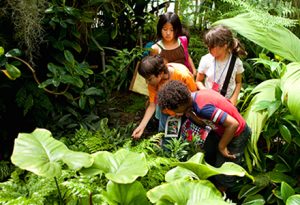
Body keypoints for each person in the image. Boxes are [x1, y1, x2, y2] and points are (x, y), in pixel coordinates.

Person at [157, 80, 251, 191]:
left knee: (225, 169)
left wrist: (222, 146)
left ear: (180, 104)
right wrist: (189, 114)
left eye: (174, 110)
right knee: (210, 155)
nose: (174, 113)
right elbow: (205, 121)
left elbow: (233, 124)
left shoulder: (203, 108)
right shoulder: (196, 97)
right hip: (221, 131)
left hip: (236, 134)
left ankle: (223, 192)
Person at [131, 55, 197, 139]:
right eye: (146, 79)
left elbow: (194, 97)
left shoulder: (182, 75)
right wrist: (141, 127)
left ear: (160, 73)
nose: (147, 82)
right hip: (166, 113)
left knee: (183, 139)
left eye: (149, 79)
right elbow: (152, 105)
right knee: (165, 138)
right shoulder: (152, 83)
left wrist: (183, 111)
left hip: (185, 113)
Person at [196, 25, 247, 106]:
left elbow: (238, 82)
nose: (209, 49)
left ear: (225, 45)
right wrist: (206, 92)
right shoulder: (206, 60)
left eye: (212, 46)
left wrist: (234, 98)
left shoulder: (236, 63)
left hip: (227, 103)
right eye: (208, 46)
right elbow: (198, 81)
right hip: (208, 102)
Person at [150, 12, 197, 76]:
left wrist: (194, 71)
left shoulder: (183, 41)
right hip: (167, 83)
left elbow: (187, 56)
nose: (168, 33)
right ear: (160, 29)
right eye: (165, 29)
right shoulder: (155, 48)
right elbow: (154, 70)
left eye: (172, 30)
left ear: (177, 29)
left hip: (186, 79)